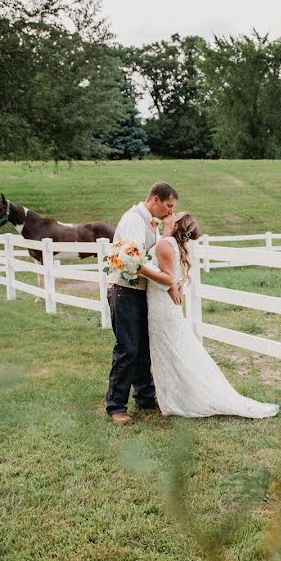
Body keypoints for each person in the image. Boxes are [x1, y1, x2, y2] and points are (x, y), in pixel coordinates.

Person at [138, 212, 279, 419]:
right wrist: (172, 284)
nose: (171, 212)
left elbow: (168, 277)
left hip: (162, 306)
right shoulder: (169, 243)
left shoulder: (164, 244)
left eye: (175, 214)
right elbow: (172, 278)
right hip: (164, 303)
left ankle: (179, 399)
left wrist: (139, 267)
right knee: (172, 350)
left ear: (176, 225)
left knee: (169, 350)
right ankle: (176, 395)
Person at [104, 182, 182, 425]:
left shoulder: (151, 224)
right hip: (124, 290)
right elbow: (131, 260)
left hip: (139, 291)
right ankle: (116, 405)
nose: (170, 212)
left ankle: (145, 397)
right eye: (168, 206)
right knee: (128, 347)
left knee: (143, 347)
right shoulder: (134, 220)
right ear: (155, 200)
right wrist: (167, 281)